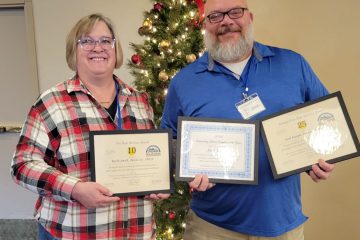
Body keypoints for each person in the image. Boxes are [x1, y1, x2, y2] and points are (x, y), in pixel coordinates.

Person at [160, 0, 335, 239]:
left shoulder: (293, 64)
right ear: (205, 25)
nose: (226, 21)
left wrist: (322, 156)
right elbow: (168, 141)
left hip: (283, 224)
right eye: (215, 16)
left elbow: (327, 120)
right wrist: (187, 168)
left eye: (235, 12)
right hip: (211, 228)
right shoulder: (184, 82)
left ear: (249, 17)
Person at [11, 13, 168, 240]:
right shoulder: (52, 102)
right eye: (87, 41)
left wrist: (156, 181)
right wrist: (74, 189)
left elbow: (148, 159)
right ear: (73, 50)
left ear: (116, 49)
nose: (98, 48)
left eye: (106, 41)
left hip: (136, 232)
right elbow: (22, 165)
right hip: (73, 233)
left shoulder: (139, 101)